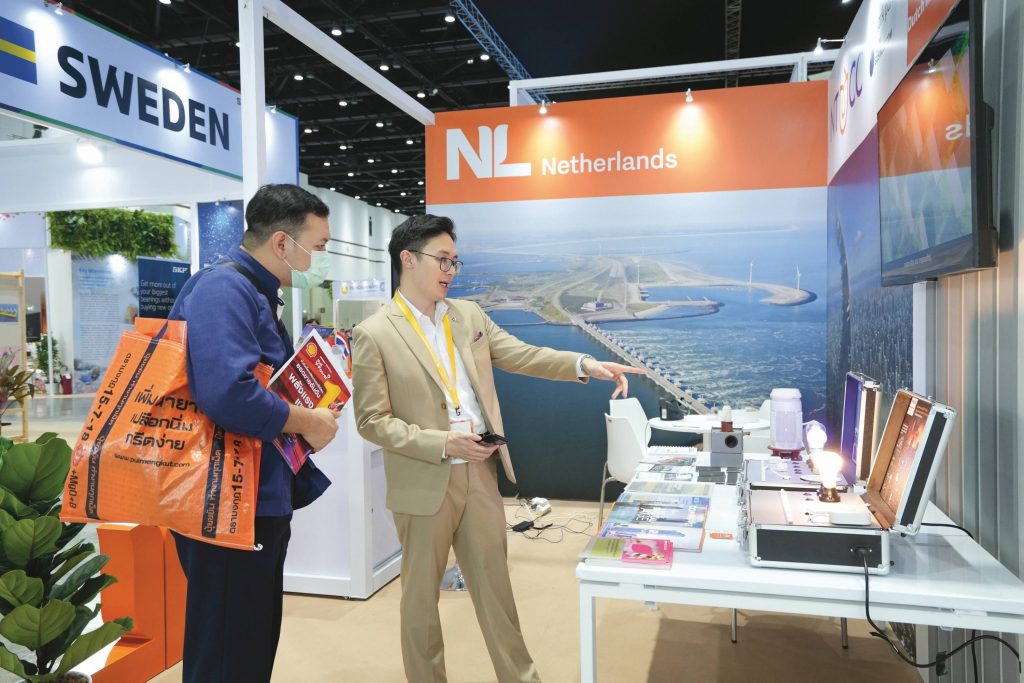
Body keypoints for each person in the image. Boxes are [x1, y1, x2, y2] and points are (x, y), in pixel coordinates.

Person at [352, 214, 643, 683]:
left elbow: (524, 354)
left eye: (455, 261)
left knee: (496, 592)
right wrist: (442, 442)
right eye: (442, 260)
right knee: (420, 602)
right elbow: (371, 421)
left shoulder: (468, 316)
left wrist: (585, 364)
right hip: (424, 480)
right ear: (408, 259)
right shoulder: (375, 332)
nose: (451, 270)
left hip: (480, 473)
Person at [168, 184, 341, 683]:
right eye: (318, 246)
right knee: (228, 648)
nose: (319, 259)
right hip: (227, 502)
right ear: (283, 242)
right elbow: (229, 393)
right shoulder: (225, 289)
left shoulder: (256, 291)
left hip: (254, 495)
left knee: (249, 639)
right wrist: (306, 420)